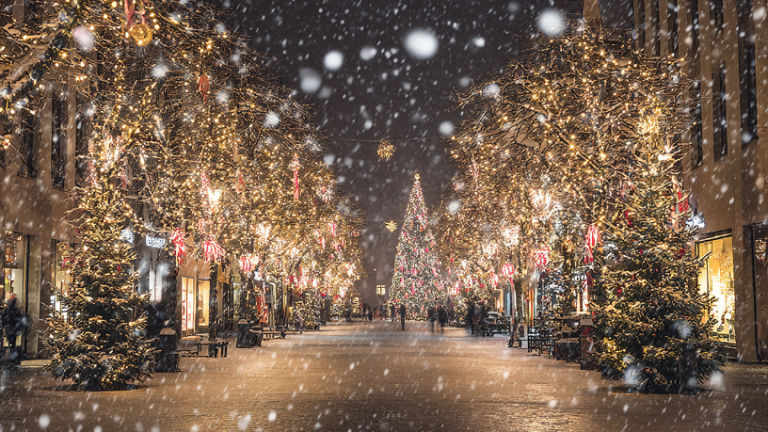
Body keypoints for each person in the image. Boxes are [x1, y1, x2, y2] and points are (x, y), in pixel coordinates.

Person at [1, 294, 25, 364]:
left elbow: (5, 318)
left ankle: (12, 358)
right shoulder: (13, 310)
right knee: (12, 343)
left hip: (11, 328)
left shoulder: (10, 311)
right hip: (12, 328)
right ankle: (13, 357)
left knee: (12, 343)